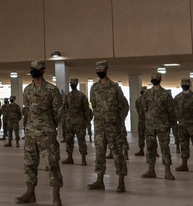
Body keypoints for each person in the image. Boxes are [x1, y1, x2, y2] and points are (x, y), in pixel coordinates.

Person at [17, 60, 64, 206]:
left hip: (47, 134)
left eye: (37, 69)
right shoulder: (27, 90)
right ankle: (30, 193)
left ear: (43, 70)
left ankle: (56, 196)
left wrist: (50, 125)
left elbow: (59, 111)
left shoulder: (51, 90)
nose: (33, 71)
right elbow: (27, 109)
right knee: (30, 165)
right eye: (32, 68)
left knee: (52, 164)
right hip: (31, 134)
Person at [88, 61, 129, 192]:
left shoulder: (115, 87)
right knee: (99, 154)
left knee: (117, 154)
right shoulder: (94, 88)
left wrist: (119, 120)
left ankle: (121, 181)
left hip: (113, 127)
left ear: (106, 69)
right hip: (99, 127)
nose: (99, 71)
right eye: (97, 69)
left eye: (101, 69)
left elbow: (124, 105)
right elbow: (93, 105)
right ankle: (100, 180)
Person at [140, 71, 176, 180]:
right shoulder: (146, 94)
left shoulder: (166, 94)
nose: (155, 80)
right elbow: (144, 108)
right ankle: (151, 170)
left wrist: (172, 124)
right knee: (150, 148)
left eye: (157, 78)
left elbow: (171, 110)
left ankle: (167, 171)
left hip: (163, 125)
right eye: (153, 78)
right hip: (150, 125)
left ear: (160, 79)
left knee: (165, 148)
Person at [174, 79, 193, 173]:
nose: (185, 86)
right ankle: (184, 164)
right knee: (183, 145)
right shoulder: (177, 97)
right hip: (182, 126)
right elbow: (174, 110)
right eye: (183, 84)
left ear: (190, 85)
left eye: (186, 84)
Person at [61, 78, 91, 165]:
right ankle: (77, 159)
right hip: (75, 122)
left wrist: (87, 121)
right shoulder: (79, 95)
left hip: (74, 122)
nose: (72, 85)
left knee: (76, 140)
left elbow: (86, 110)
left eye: (73, 83)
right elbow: (86, 110)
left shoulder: (74, 96)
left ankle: (79, 159)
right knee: (74, 140)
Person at [133, 87, 147, 157]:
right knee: (150, 136)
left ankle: (141, 150)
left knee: (142, 136)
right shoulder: (149, 99)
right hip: (148, 121)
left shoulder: (138, 100)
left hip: (142, 120)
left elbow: (138, 110)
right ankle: (154, 151)